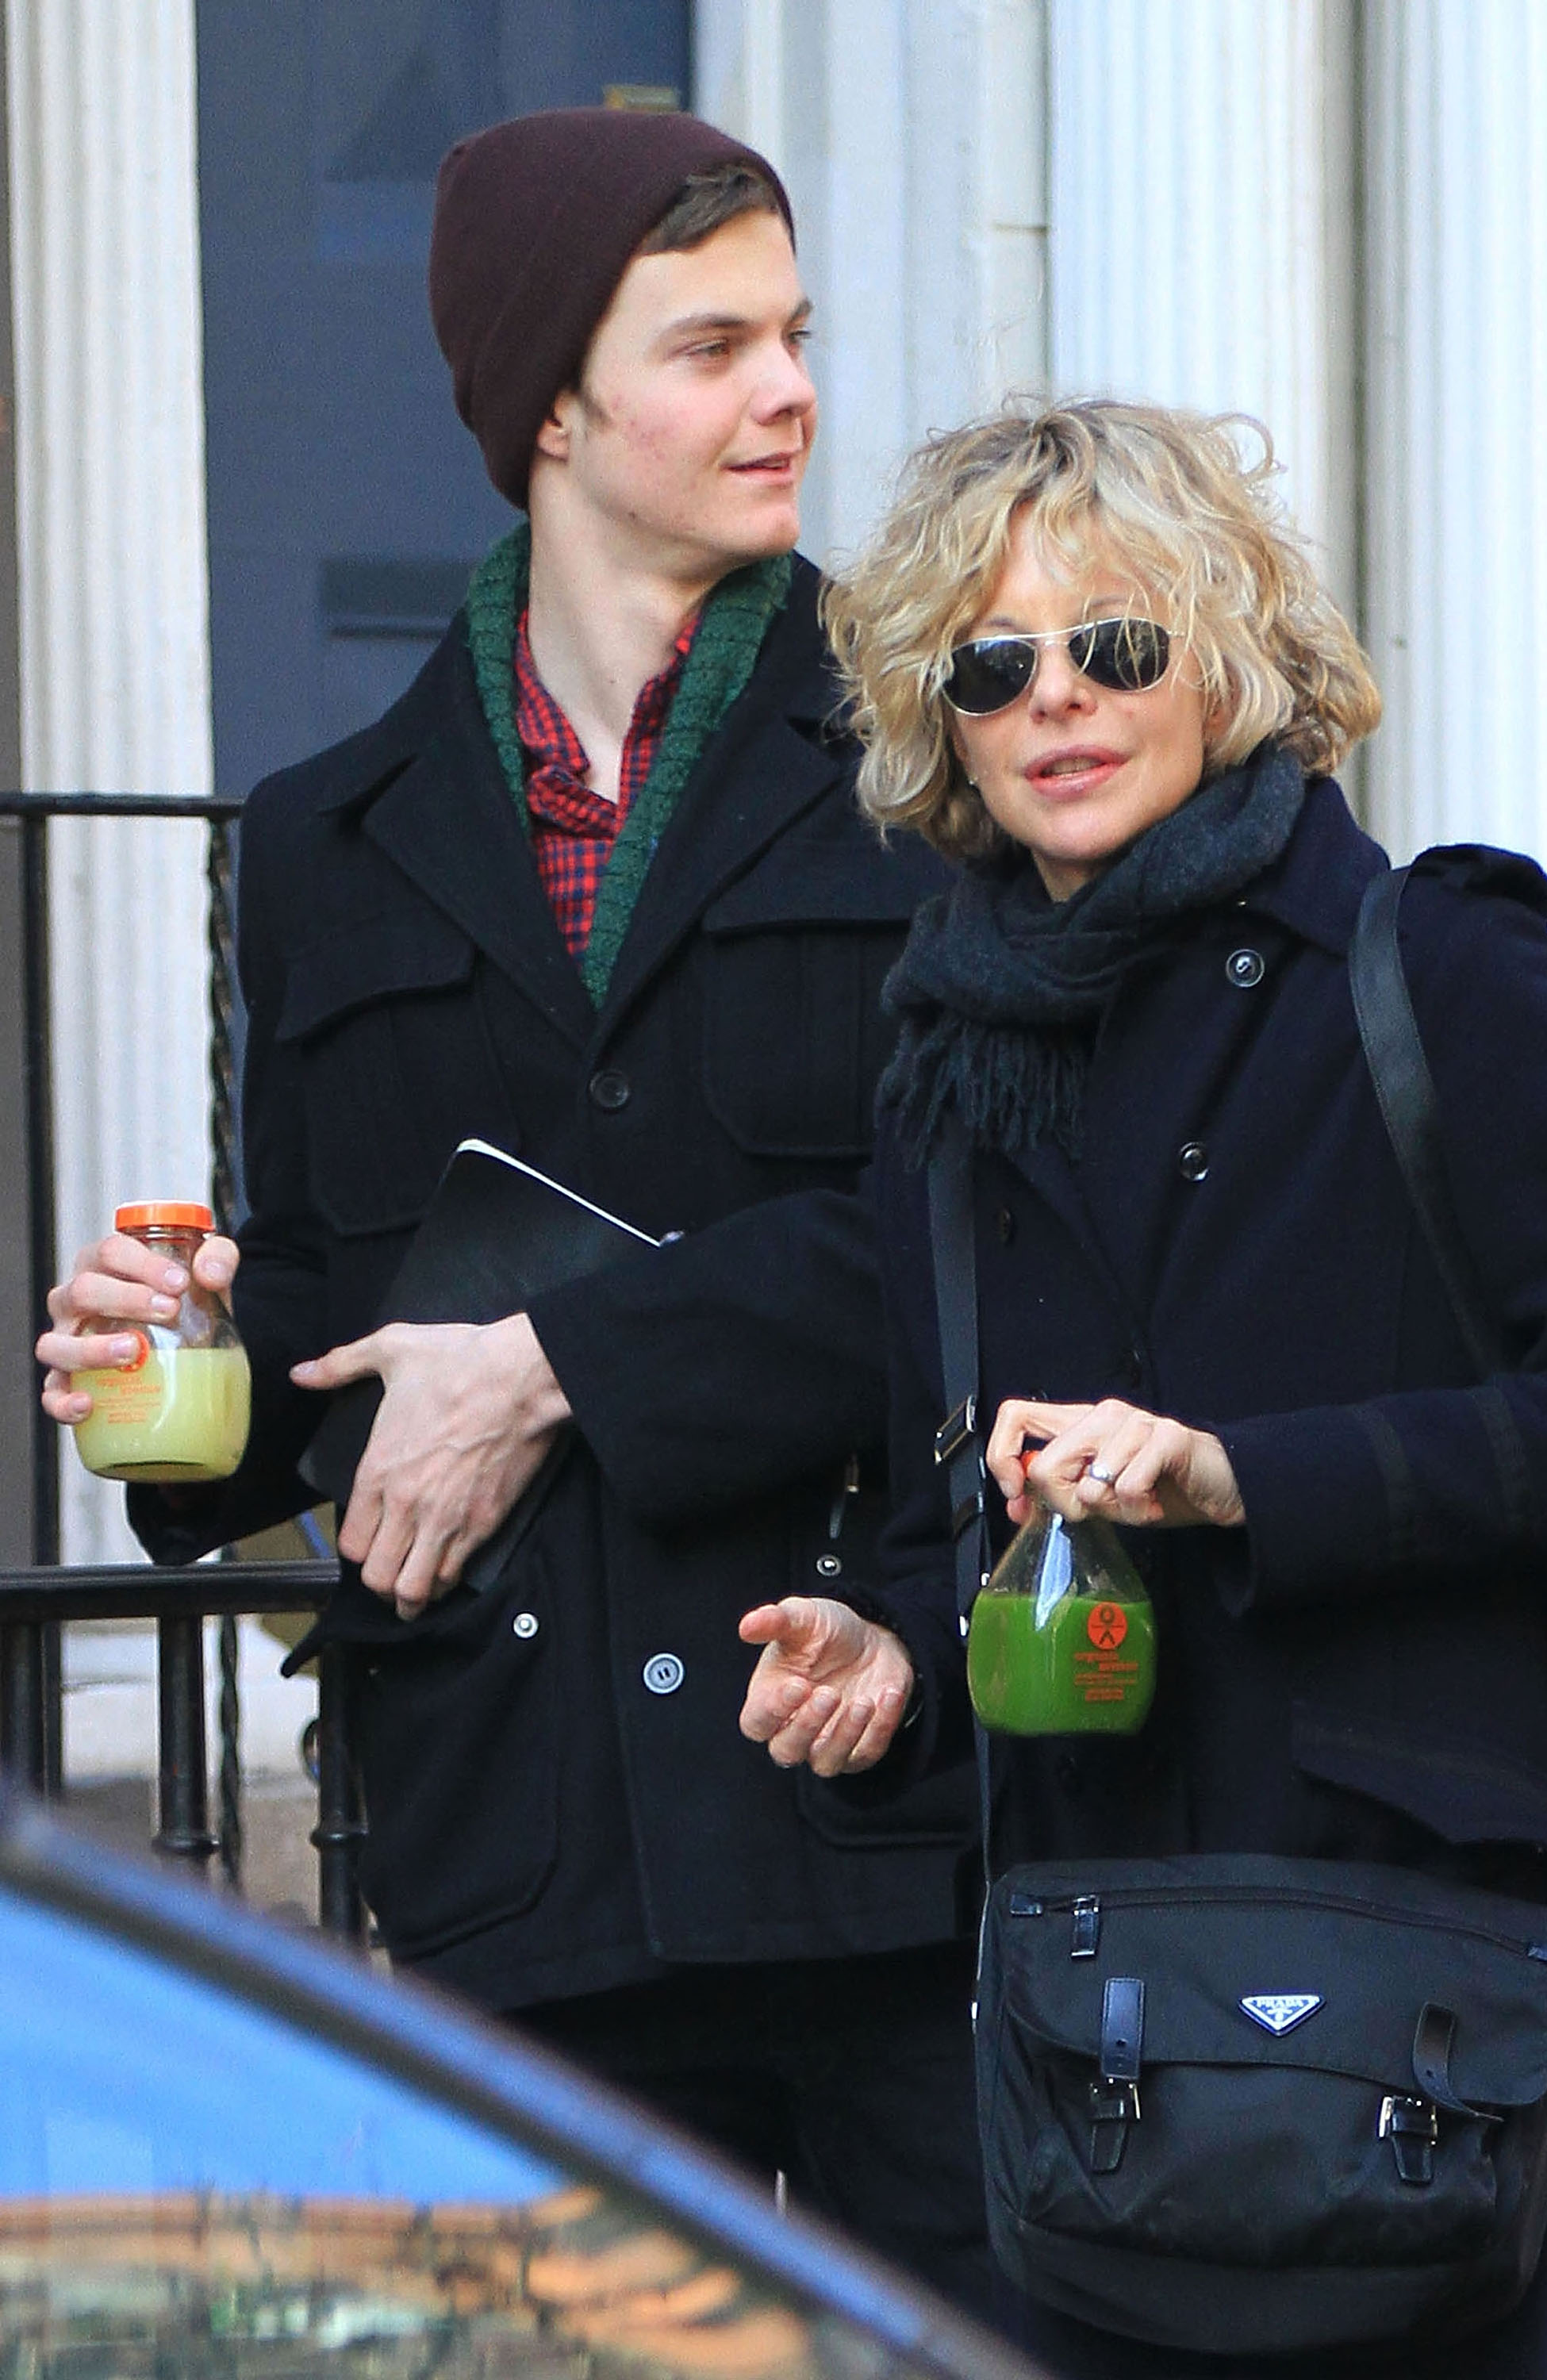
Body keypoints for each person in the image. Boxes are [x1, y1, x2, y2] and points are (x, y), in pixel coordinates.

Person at [35, 107, 988, 2309]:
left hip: (872, 1801)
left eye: (795, 335)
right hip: (515, 1839)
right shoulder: (326, 837)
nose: (790, 394)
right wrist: (183, 1348)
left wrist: (566, 1365)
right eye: (713, 345)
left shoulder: (936, 772)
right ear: (549, 401)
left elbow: (991, 1251)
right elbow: (366, 1312)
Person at [737, 398, 1547, 2375]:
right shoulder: (942, 1060)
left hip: (1398, 1985)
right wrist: (890, 1660)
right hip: (1090, 1996)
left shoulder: (1435, 974)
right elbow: (972, 1514)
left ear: (1223, 655)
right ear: (931, 716)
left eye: (1115, 644)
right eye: (990, 663)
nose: (1059, 701)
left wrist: (1242, 1481)